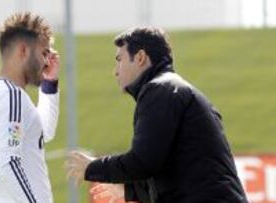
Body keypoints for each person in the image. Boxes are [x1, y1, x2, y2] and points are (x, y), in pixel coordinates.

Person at [66, 27, 248, 203]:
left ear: (140, 58)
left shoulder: (160, 90)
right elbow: (170, 176)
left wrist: (93, 167)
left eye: (119, 59)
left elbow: (142, 162)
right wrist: (128, 189)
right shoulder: (170, 90)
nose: (115, 71)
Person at [0, 12, 60, 203]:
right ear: (23, 51)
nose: (47, 61)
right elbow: (9, 163)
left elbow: (43, 132)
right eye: (44, 53)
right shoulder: (11, 95)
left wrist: (50, 84)